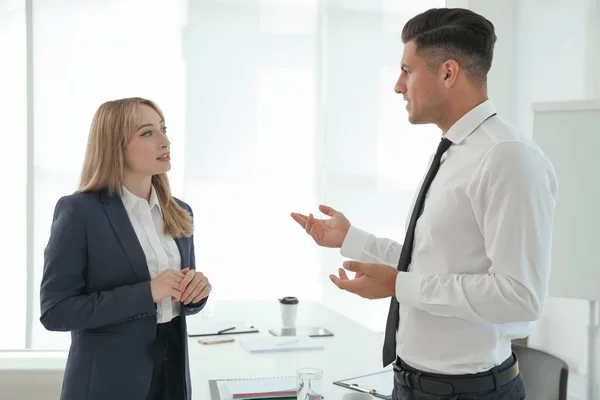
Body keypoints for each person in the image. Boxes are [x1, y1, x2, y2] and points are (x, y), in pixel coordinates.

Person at [291, 7, 557, 400]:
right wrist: (352, 239)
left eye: (407, 70)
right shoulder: (455, 153)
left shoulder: (506, 156)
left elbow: (520, 299)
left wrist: (399, 285)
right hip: (411, 385)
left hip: (469, 393)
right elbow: (433, 263)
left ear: (448, 73)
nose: (398, 86)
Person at [40, 97, 212, 400]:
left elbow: (178, 303)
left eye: (163, 129)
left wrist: (196, 293)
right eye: (148, 133)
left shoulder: (180, 211)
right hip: (108, 383)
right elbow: (56, 312)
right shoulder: (79, 212)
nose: (165, 140)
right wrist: (147, 293)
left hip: (172, 378)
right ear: (115, 145)